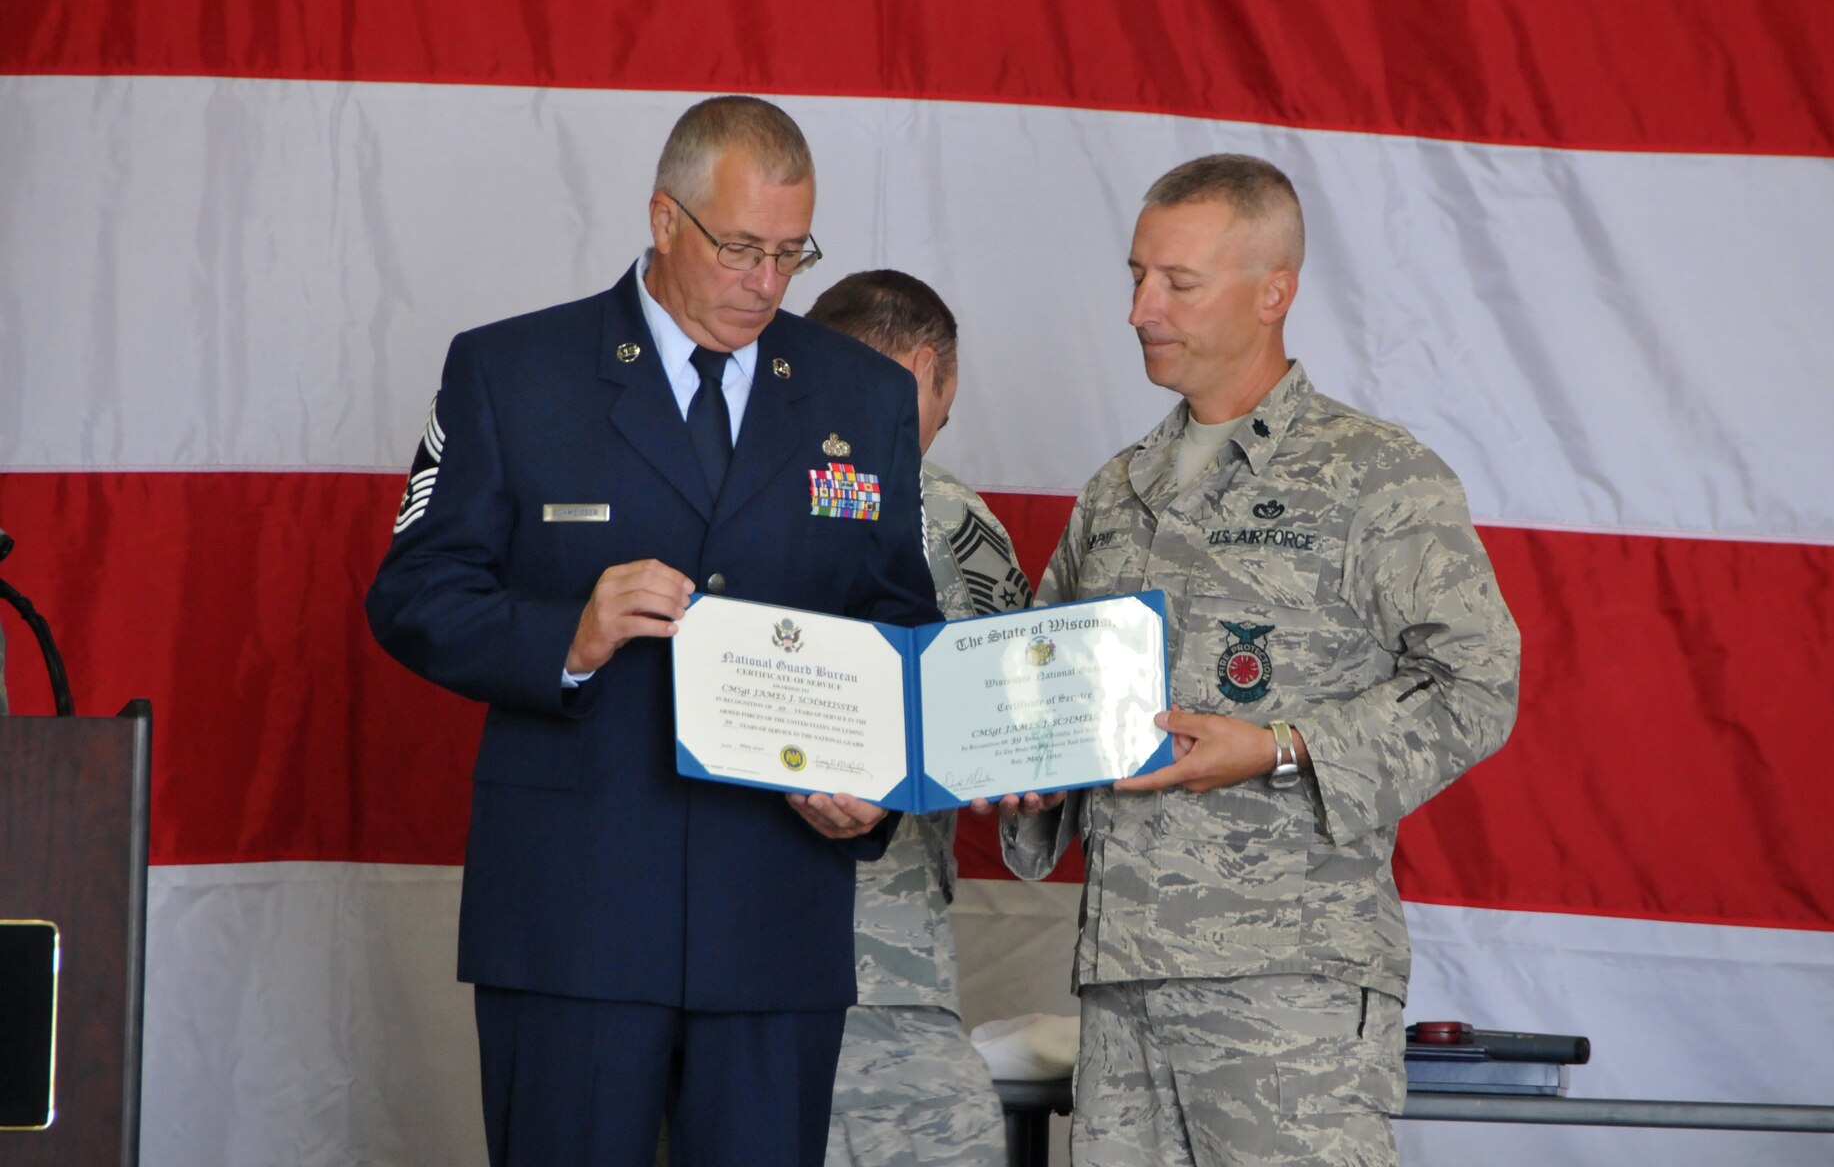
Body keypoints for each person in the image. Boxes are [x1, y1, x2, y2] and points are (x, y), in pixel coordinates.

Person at [366, 96, 939, 1167]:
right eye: (739, 248)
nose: (765, 283)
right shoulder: (512, 372)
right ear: (663, 219)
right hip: (574, 912)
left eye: (789, 253)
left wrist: (873, 784)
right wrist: (567, 637)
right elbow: (413, 592)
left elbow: (900, 619)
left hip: (776, 912)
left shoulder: (859, 395)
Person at [988, 154, 1521, 1166]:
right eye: (1136, 275)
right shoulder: (1116, 490)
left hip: (1290, 988)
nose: (1141, 307)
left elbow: (1476, 686)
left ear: (1273, 290)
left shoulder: (1375, 477)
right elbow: (1037, 684)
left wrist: (1275, 746)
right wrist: (1023, 775)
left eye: (1177, 282)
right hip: (1122, 982)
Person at [804, 270, 1027, 1166]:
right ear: (928, 370)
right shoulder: (934, 512)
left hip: (700, 963)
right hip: (878, 977)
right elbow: (1008, 725)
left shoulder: (718, 493)